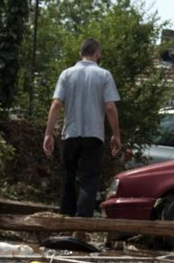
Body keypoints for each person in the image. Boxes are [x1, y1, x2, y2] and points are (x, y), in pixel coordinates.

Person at [43, 38, 121, 218]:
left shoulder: (66, 74)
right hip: (94, 136)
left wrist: (48, 134)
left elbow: (56, 104)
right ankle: (82, 224)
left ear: (80, 53)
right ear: (98, 53)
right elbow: (110, 107)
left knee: (68, 177)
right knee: (89, 179)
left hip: (70, 134)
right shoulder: (104, 75)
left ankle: (66, 220)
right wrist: (116, 135)